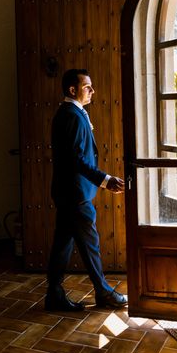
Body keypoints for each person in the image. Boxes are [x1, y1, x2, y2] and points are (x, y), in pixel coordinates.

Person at [45, 68, 127, 312]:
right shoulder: (71, 115)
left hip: (68, 192)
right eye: (87, 87)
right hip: (75, 195)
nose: (92, 91)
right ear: (73, 90)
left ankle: (54, 295)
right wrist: (105, 180)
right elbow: (77, 160)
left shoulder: (72, 113)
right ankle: (103, 293)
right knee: (90, 245)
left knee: (63, 244)